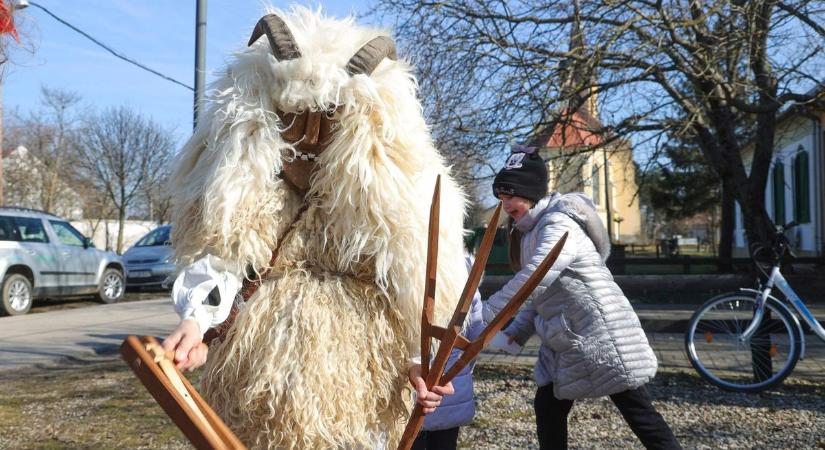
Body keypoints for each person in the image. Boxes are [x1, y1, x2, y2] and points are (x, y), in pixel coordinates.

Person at [158, 7, 468, 449]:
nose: (308, 139)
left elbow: (414, 273)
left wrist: (420, 359)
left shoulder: (386, 199)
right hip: (256, 380)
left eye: (328, 118)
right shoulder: (249, 190)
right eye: (291, 117)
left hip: (357, 381)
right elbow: (220, 252)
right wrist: (197, 322)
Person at [483, 148, 681, 450]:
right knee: (548, 408)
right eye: (501, 195)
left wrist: (487, 313)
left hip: (602, 334)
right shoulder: (529, 232)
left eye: (512, 194)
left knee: (638, 411)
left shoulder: (558, 224)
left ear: (532, 192)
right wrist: (515, 334)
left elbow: (538, 277)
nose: (505, 202)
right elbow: (540, 296)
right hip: (569, 338)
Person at [413, 254, 484, 450]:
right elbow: (475, 334)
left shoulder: (403, 264)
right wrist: (463, 371)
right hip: (452, 390)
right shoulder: (462, 265)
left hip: (413, 393)